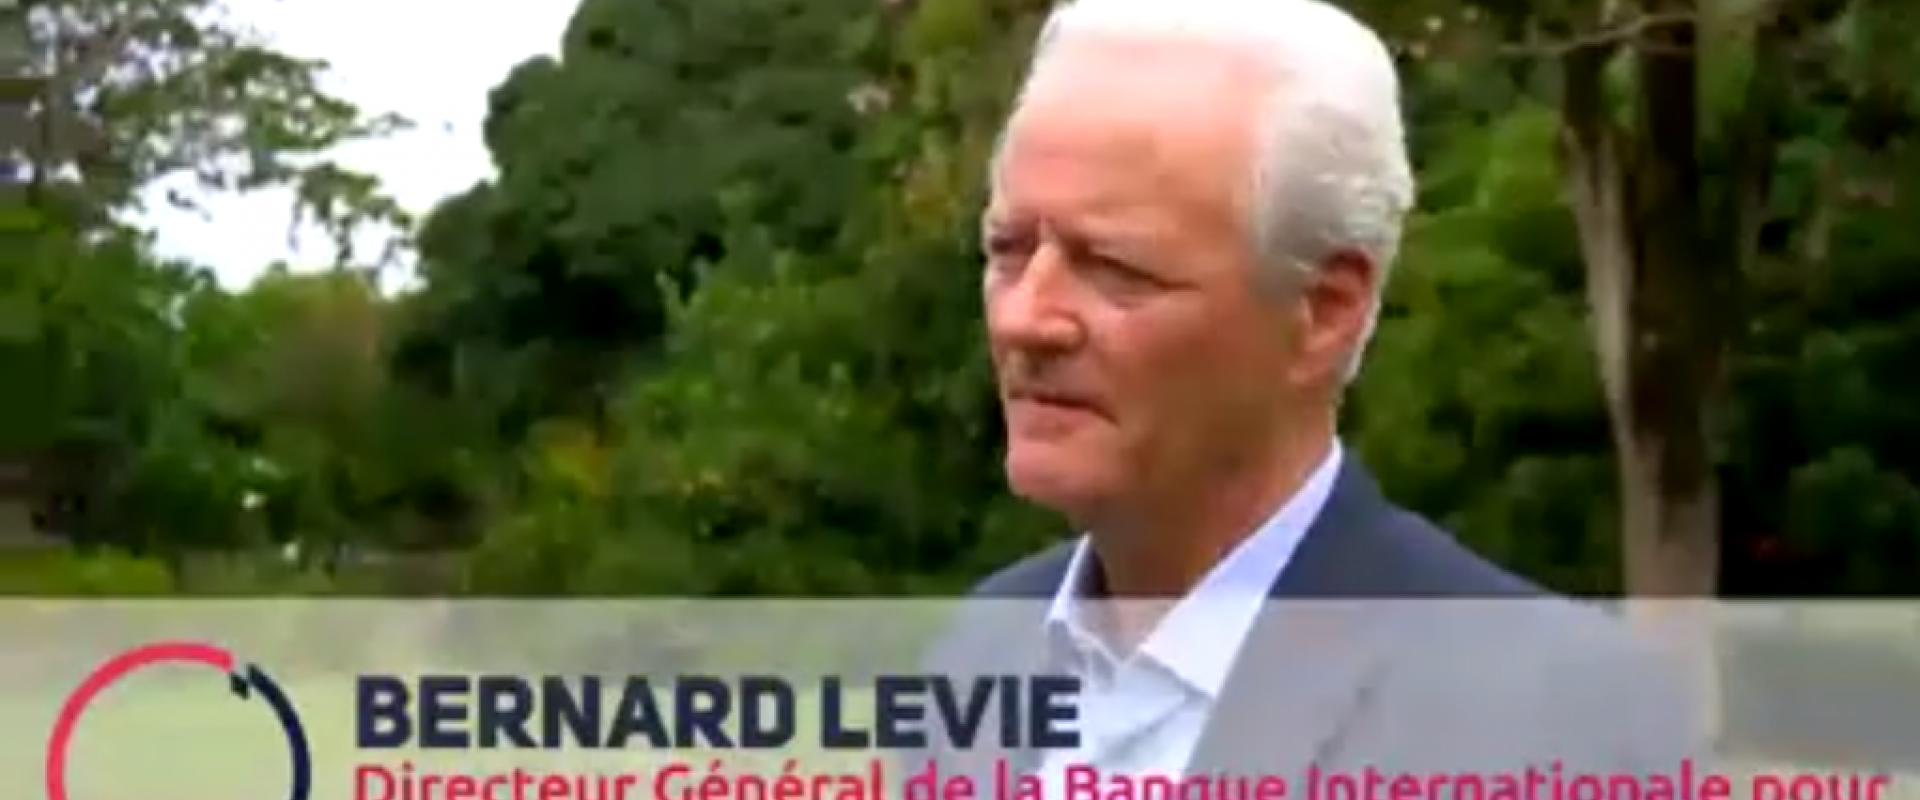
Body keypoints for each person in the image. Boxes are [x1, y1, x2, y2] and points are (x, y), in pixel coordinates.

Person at [930, 0, 1708, 787]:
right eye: (1008, 250)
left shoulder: (1547, 718)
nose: (1024, 318)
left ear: (1324, 312)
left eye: (1114, 269)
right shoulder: (983, 650)